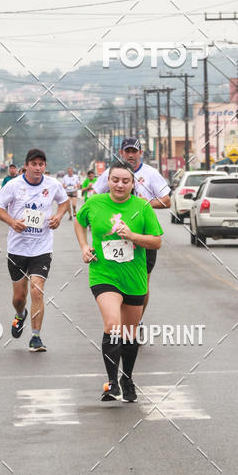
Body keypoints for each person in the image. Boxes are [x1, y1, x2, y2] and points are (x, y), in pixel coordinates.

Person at [75, 161, 163, 402]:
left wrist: (132, 236)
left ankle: (127, 378)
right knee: (113, 325)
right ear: (108, 181)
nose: (120, 185)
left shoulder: (142, 206)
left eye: (125, 181)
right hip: (104, 274)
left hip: (134, 277)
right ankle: (112, 382)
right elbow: (79, 222)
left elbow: (156, 241)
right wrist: (84, 246)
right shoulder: (95, 202)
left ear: (133, 184)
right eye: (115, 180)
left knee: (129, 334)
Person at [0, 147, 69, 352]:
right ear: (26, 165)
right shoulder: (14, 186)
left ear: (45, 166)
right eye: (33, 164)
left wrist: (58, 217)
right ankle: (20, 314)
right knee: (19, 297)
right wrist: (12, 222)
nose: (37, 168)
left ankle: (36, 337)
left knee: (37, 289)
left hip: (42, 247)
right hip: (17, 248)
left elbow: (64, 202)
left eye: (41, 164)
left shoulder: (52, 184)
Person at [93, 137, 170, 322]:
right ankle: (117, 316)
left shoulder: (150, 173)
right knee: (113, 279)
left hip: (143, 236)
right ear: (121, 153)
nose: (130, 155)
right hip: (114, 236)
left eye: (134, 151)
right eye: (127, 151)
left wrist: (145, 204)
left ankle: (136, 320)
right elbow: (94, 197)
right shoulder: (111, 173)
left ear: (140, 153)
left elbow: (166, 200)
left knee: (142, 283)